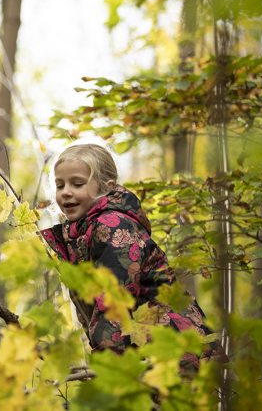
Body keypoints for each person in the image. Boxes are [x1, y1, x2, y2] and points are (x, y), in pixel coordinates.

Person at [39, 143, 227, 371]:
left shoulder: (113, 225)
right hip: (151, 350)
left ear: (106, 188)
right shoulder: (84, 234)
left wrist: (109, 366)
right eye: (60, 185)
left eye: (77, 184)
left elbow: (114, 300)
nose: (66, 191)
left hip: (172, 350)